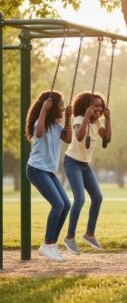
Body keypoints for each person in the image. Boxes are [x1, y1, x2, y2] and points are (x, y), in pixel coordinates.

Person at [62, 91, 111, 255]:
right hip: (72, 162)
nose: (98, 108)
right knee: (80, 199)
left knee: (97, 197)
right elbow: (80, 135)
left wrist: (108, 118)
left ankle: (89, 234)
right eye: (95, 106)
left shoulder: (97, 123)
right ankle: (69, 237)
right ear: (86, 107)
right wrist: (86, 118)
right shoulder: (78, 119)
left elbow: (108, 138)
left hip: (84, 165)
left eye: (100, 106)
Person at [25, 91, 72, 262]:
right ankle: (46, 244)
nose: (62, 106)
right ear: (51, 106)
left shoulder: (56, 126)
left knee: (66, 204)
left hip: (48, 171)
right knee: (58, 204)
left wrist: (68, 118)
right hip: (36, 169)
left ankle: (51, 245)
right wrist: (43, 110)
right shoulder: (41, 122)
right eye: (60, 104)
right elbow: (38, 133)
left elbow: (68, 139)